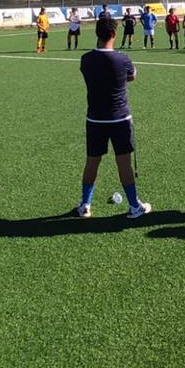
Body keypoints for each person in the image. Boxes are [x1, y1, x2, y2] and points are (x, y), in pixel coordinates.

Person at [76, 17, 152, 218]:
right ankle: (134, 206)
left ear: (97, 34)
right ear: (114, 34)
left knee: (92, 162)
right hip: (120, 119)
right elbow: (132, 76)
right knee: (124, 163)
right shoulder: (122, 59)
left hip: (95, 119)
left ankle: (85, 205)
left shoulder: (86, 59)